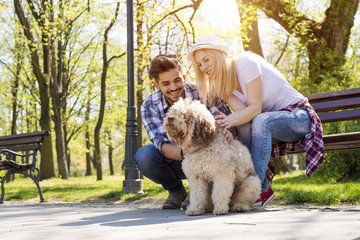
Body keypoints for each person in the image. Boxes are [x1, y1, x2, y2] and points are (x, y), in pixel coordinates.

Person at [187, 35, 324, 210]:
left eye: (206, 60)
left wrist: (229, 120)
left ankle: (258, 189)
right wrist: (226, 127)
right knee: (246, 124)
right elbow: (243, 117)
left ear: (219, 55)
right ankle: (247, 186)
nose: (203, 67)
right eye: (199, 64)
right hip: (268, 125)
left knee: (259, 120)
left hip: (299, 117)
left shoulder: (246, 62)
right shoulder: (223, 87)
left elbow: (255, 109)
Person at [134, 54, 232, 210]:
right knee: (144, 156)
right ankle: (176, 191)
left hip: (211, 153)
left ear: (184, 77)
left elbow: (224, 120)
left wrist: (225, 131)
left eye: (177, 80)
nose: (173, 87)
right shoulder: (149, 106)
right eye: (166, 83)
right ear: (157, 85)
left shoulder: (202, 91)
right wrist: (192, 154)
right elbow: (162, 144)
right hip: (178, 156)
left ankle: (205, 191)